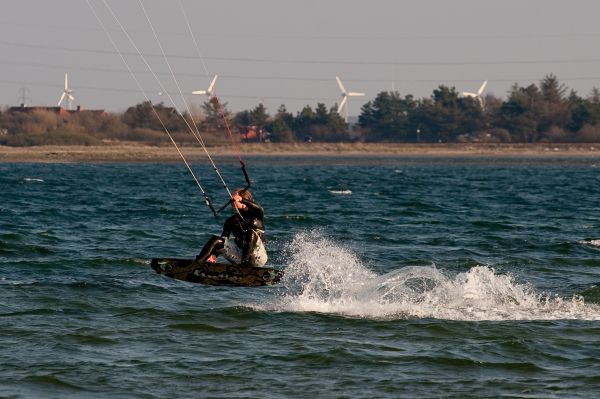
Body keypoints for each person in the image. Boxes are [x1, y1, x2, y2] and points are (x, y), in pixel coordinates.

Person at [196, 188, 268, 267]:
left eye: (234, 198)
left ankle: (245, 265)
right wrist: (214, 255)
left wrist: (241, 199)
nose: (232, 200)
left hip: (258, 257)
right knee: (216, 240)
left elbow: (259, 208)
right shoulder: (230, 221)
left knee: (250, 233)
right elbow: (224, 239)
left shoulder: (255, 214)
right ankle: (198, 263)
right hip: (239, 256)